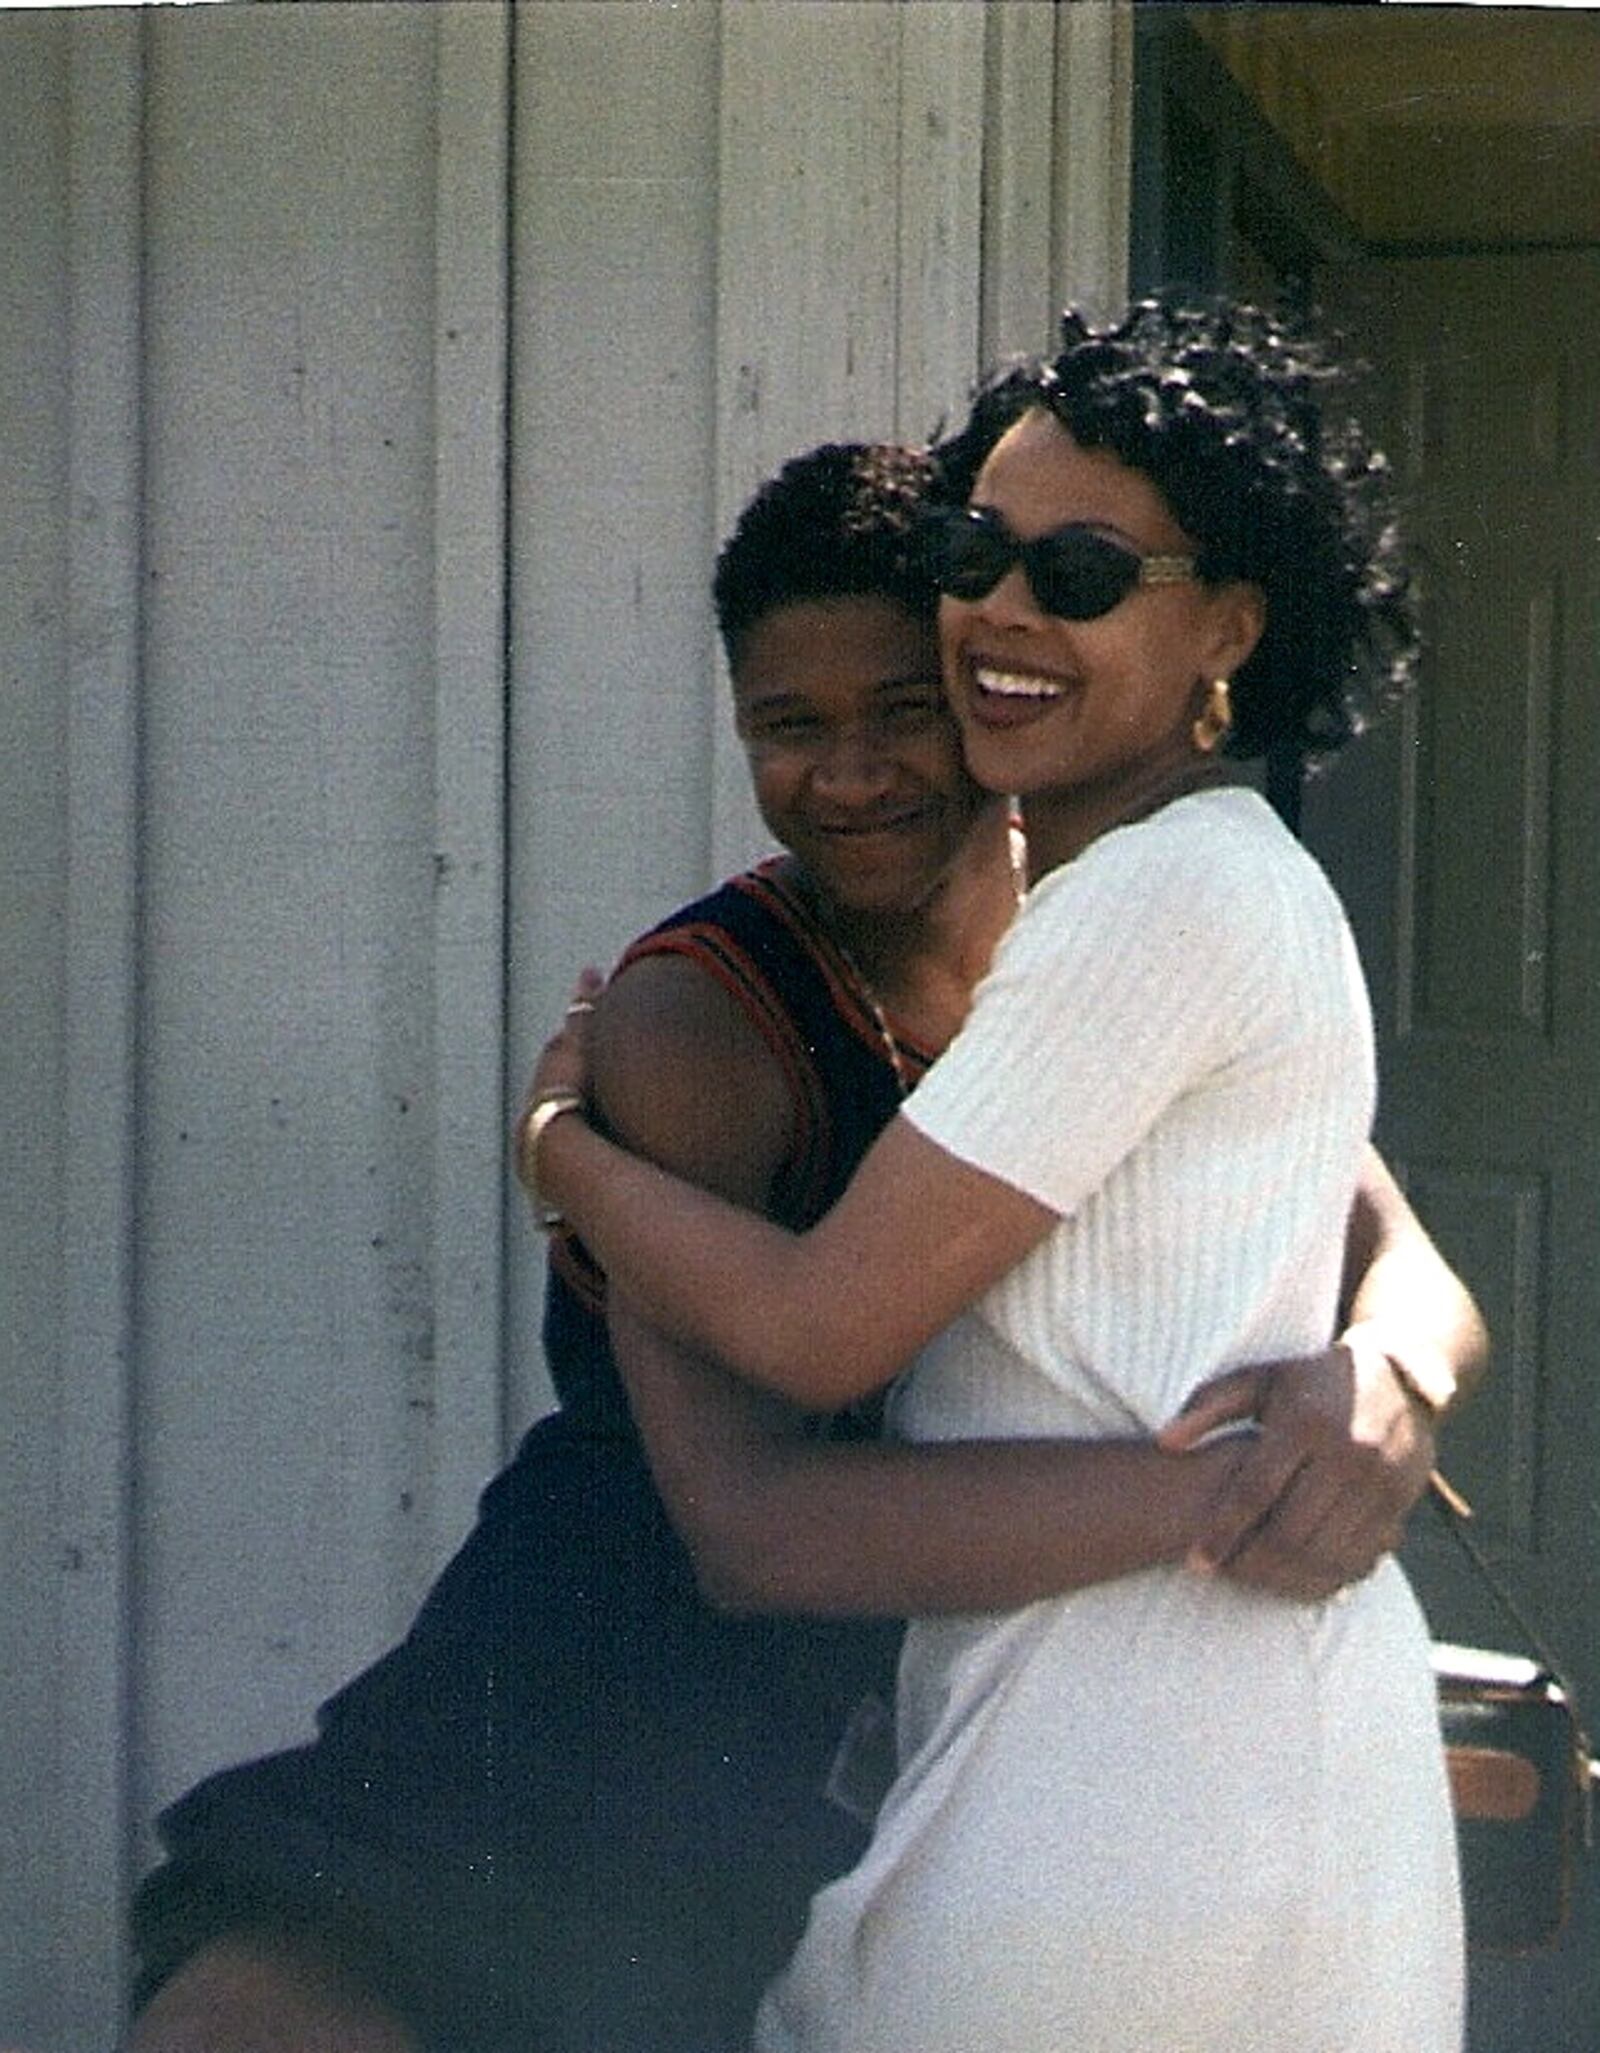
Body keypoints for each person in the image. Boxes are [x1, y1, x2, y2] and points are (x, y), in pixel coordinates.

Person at [127, 434, 1481, 2053]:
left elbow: (1377, 1218)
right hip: (626, 1688)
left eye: (903, 711)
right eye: (788, 727)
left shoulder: (1090, 950)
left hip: (919, 1705)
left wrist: (1386, 1370)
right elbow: (751, 1532)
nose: (852, 776)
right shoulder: (699, 1015)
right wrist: (568, 1144)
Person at [522, 301, 1468, 2052]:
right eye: (980, 551)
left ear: (1229, 632)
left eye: (1086, 571)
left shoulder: (1151, 905)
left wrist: (563, 1148)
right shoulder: (1210, 884)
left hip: (1130, 1784)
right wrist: (1403, 1354)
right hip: (1216, 1745)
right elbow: (1391, 1235)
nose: (1006, 611)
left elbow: (812, 1339)